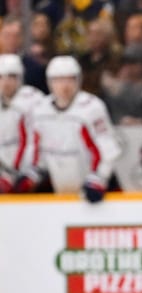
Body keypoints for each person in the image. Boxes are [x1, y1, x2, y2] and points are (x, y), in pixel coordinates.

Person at [29, 55, 121, 200]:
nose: (65, 86)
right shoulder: (40, 110)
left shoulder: (92, 107)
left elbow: (108, 148)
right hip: (61, 186)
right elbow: (37, 149)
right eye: (58, 80)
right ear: (49, 82)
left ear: (78, 81)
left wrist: (99, 178)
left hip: (95, 186)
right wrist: (33, 172)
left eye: (70, 79)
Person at [0, 53, 44, 193]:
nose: (6, 82)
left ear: (20, 77)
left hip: (31, 171)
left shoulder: (34, 99)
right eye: (1, 77)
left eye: (12, 77)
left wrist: (29, 172)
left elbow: (35, 141)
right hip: (5, 171)